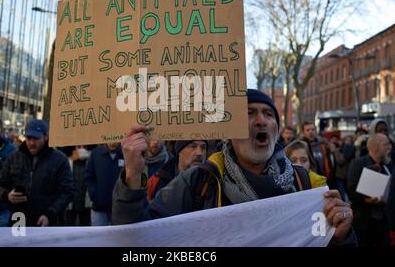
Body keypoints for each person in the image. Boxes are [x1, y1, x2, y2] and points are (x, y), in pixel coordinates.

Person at [112, 89, 355, 246]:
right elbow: (136, 238)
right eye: (249, 113)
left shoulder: (306, 185)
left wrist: (342, 235)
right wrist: (133, 176)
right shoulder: (200, 181)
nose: (261, 120)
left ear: (276, 129)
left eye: (268, 114)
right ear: (230, 131)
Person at [0, 119, 74, 226]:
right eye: (29, 138)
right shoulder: (13, 157)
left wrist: (50, 214)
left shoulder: (59, 160)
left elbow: (67, 192)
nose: (31, 143)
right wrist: (7, 195)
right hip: (19, 220)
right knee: (17, 243)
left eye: (36, 138)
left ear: (45, 137)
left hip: (48, 222)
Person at [347, 133, 391, 246]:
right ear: (376, 147)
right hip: (364, 224)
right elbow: (351, 191)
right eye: (386, 144)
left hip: (383, 223)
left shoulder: (388, 166)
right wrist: (368, 200)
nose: (390, 147)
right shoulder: (358, 163)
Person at [85, 143, 124, 226]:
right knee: (98, 237)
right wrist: (94, 196)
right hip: (99, 208)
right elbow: (89, 177)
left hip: (121, 209)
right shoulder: (96, 153)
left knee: (118, 238)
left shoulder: (126, 152)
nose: (113, 142)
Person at [65, 145, 91, 226]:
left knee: (85, 228)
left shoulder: (91, 161)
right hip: (71, 203)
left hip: (86, 203)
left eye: (83, 147)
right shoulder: (68, 161)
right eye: (79, 147)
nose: (81, 149)